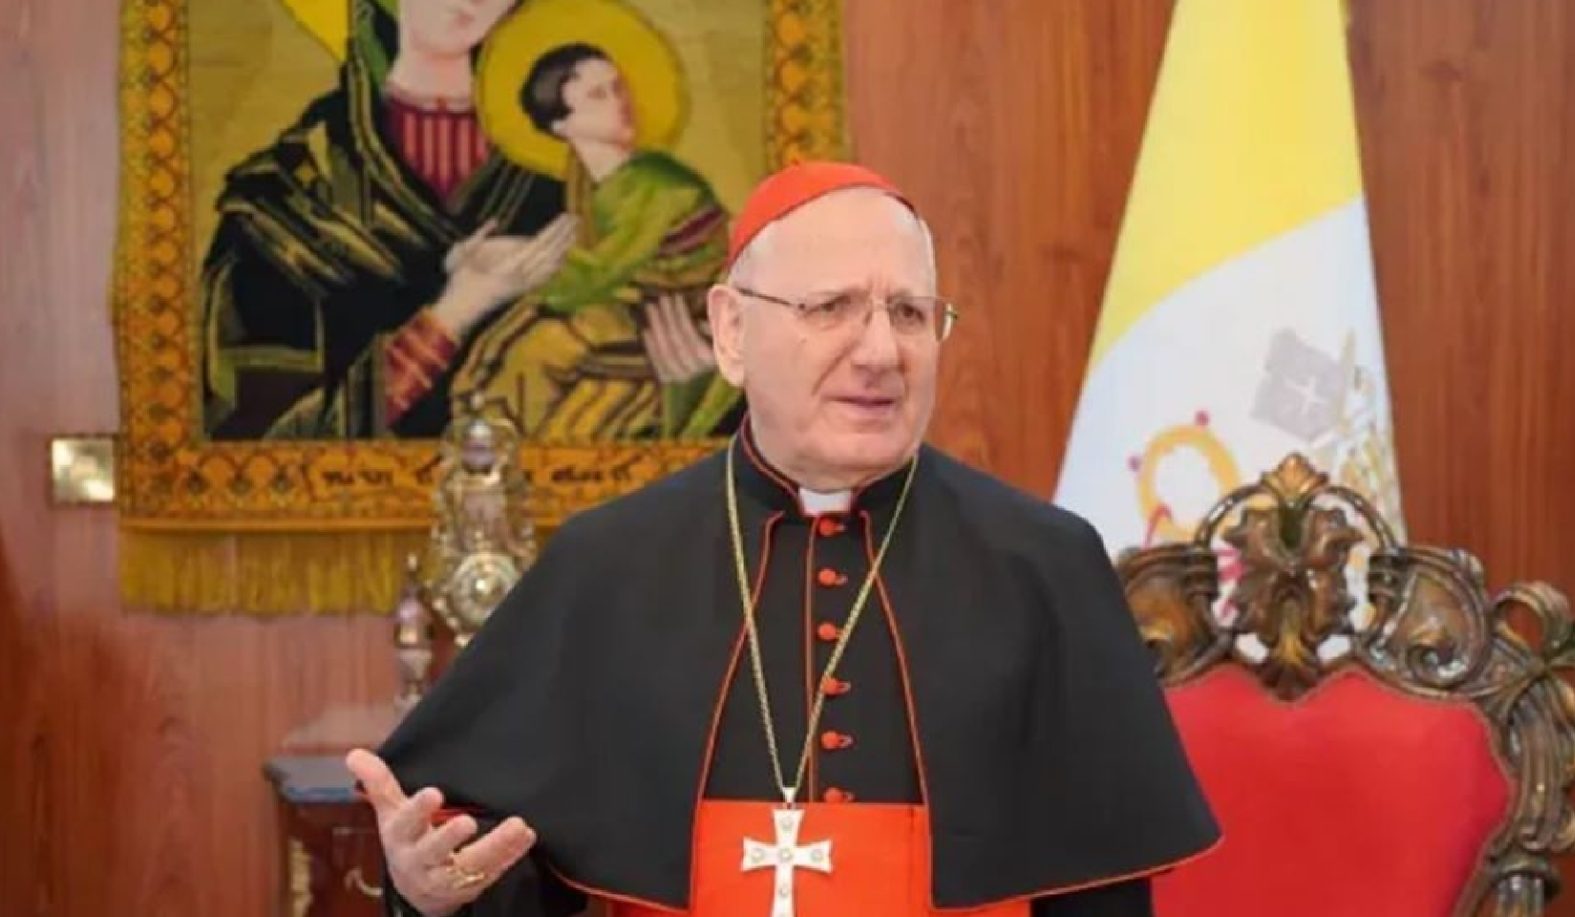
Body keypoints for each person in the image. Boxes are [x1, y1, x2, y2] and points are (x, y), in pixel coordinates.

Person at [349, 161, 1219, 916]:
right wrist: (433, 894)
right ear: (730, 331)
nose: (881, 349)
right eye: (832, 306)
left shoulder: (1044, 566)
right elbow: (507, 871)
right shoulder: (606, 566)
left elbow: (1105, 894)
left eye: (911, 313)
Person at [200, 0, 576, 440]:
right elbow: (251, 451)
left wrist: (676, 381)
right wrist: (450, 318)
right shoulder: (287, 199)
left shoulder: (567, 180)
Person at [454, 43, 741, 440]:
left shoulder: (655, 182)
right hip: (631, 299)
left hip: (677, 307)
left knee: (541, 344)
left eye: (618, 87)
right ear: (561, 125)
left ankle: (494, 432)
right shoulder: (586, 182)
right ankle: (487, 434)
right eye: (598, 95)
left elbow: (601, 269)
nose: (620, 102)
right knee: (514, 338)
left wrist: (520, 281)